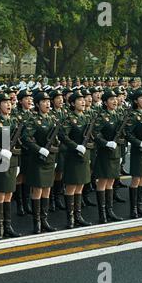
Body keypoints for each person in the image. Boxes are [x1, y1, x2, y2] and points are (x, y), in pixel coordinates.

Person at [21, 91, 58, 234]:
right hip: (37, 158)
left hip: (49, 159)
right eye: (44, 101)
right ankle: (36, 222)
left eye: (49, 101)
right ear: (37, 104)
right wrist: (39, 149)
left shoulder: (52, 119)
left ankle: (45, 220)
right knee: (37, 190)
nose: (48, 103)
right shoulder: (33, 120)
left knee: (47, 189)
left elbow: (59, 137)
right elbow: (26, 138)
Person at [0, 93, 21, 240]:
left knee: (9, 194)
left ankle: (8, 226)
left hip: (13, 161)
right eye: (5, 102)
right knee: (0, 194)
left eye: (10, 102)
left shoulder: (15, 121)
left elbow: (20, 143)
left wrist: (18, 163)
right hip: (0, 161)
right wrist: (2, 151)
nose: (8, 104)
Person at [60, 90, 93, 228]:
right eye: (79, 100)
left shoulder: (87, 117)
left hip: (84, 156)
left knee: (80, 185)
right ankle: (70, 218)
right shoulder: (69, 118)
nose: (83, 102)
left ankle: (78, 215)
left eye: (83, 100)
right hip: (73, 156)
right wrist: (76, 146)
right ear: (72, 103)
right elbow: (63, 136)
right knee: (71, 186)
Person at [93, 90, 125, 224]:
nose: (114, 101)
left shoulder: (118, 115)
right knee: (103, 181)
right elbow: (95, 134)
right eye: (111, 99)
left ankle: (110, 211)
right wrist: (106, 143)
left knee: (111, 181)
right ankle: (102, 213)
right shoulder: (101, 117)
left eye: (115, 99)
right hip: (104, 153)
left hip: (116, 152)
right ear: (105, 102)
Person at [124, 88, 142, 218]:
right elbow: (127, 133)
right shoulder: (132, 115)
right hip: (138, 150)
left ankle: (140, 206)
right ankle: (133, 209)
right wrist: (138, 143)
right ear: (136, 101)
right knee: (136, 179)